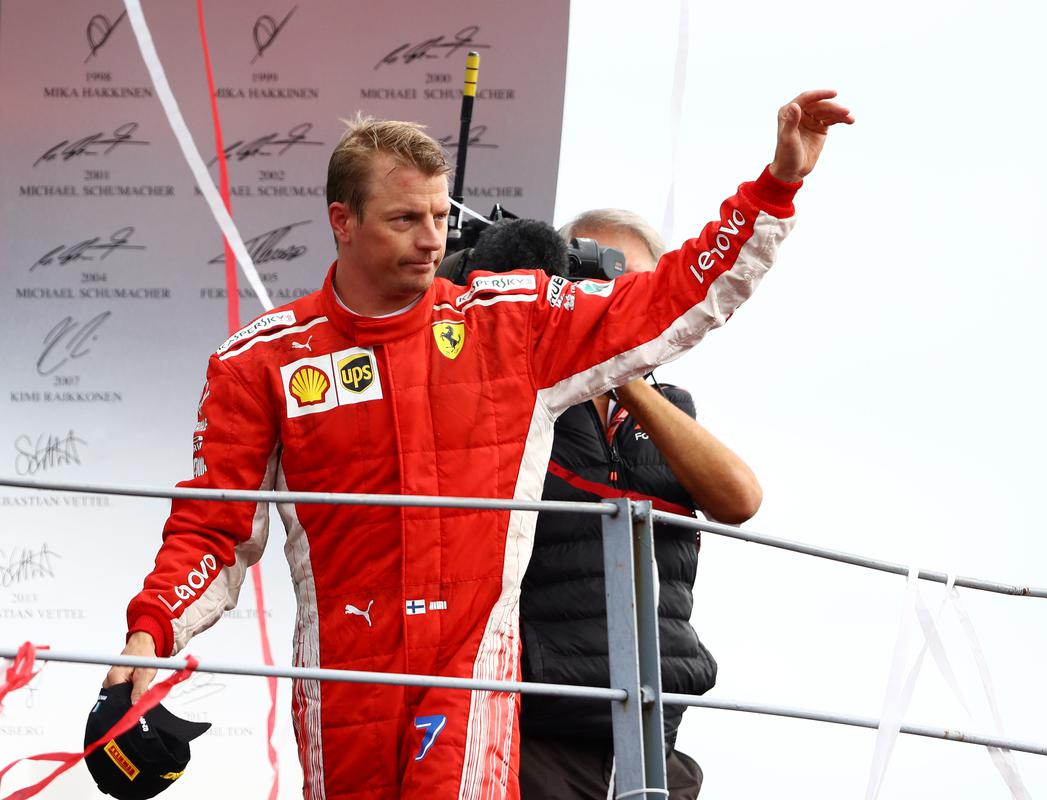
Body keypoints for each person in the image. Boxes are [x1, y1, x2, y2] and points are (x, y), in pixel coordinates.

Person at [105, 90, 854, 800]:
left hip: (470, 678)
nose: (432, 239)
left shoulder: (512, 322)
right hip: (340, 681)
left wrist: (775, 186)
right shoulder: (260, 361)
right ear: (342, 220)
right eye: (405, 219)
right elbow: (213, 526)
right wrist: (147, 641)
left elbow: (670, 301)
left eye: (439, 215)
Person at [519, 209, 761, 799]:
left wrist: (624, 368)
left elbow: (741, 499)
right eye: (600, 283)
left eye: (640, 290)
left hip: (656, 723)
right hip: (537, 724)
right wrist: (588, 354)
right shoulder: (523, 393)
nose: (618, 303)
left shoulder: (671, 404)